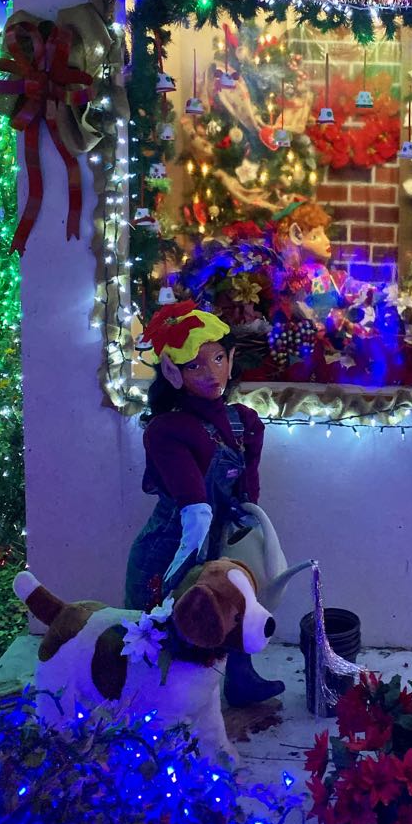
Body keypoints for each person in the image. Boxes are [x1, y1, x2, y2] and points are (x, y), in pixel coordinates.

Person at [125, 298, 284, 706]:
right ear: (173, 373)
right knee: (162, 633)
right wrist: (183, 574)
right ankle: (154, 706)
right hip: (171, 549)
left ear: (231, 358)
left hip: (216, 542)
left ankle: (239, 682)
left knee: (232, 609)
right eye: (195, 365)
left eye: (217, 359)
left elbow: (247, 493)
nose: (211, 373)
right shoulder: (168, 430)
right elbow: (194, 507)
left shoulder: (244, 422)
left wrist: (251, 534)